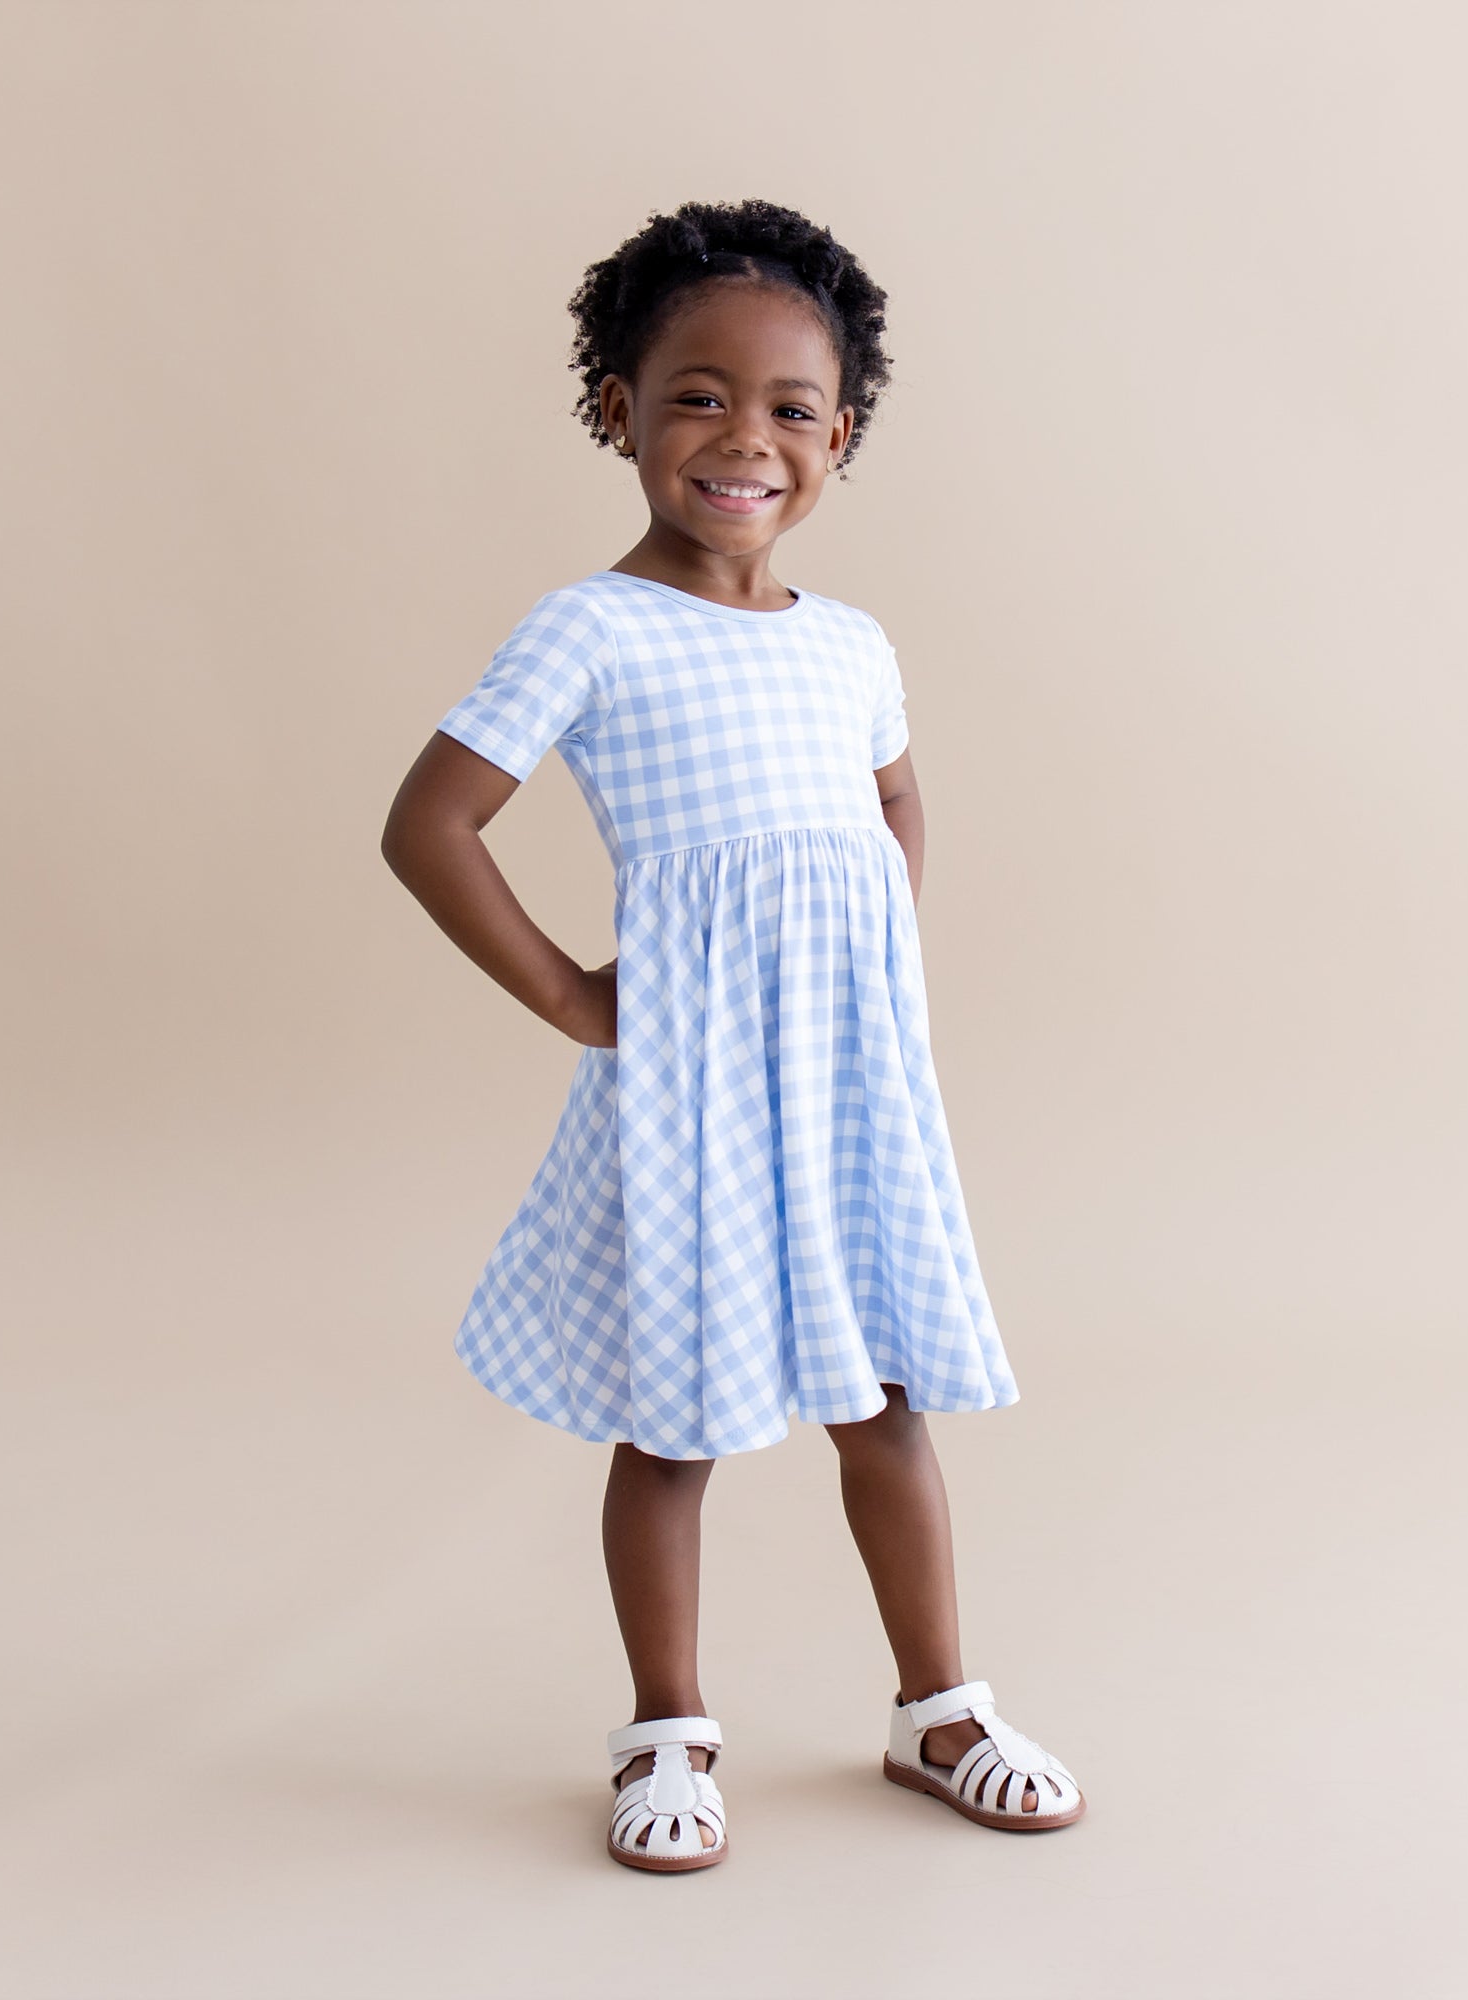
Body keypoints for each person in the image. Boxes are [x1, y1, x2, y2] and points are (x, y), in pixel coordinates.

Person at [380, 198, 1083, 1872]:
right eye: (697, 395)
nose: (742, 438)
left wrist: (863, 953)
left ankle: (939, 1708)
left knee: (887, 1400)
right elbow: (429, 825)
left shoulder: (849, 643)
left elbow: (895, 798)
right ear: (618, 409)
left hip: (849, 1091)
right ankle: (668, 1728)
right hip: (690, 1091)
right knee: (675, 1419)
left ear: (840, 436)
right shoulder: (593, 629)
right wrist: (575, 996)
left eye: (788, 409)